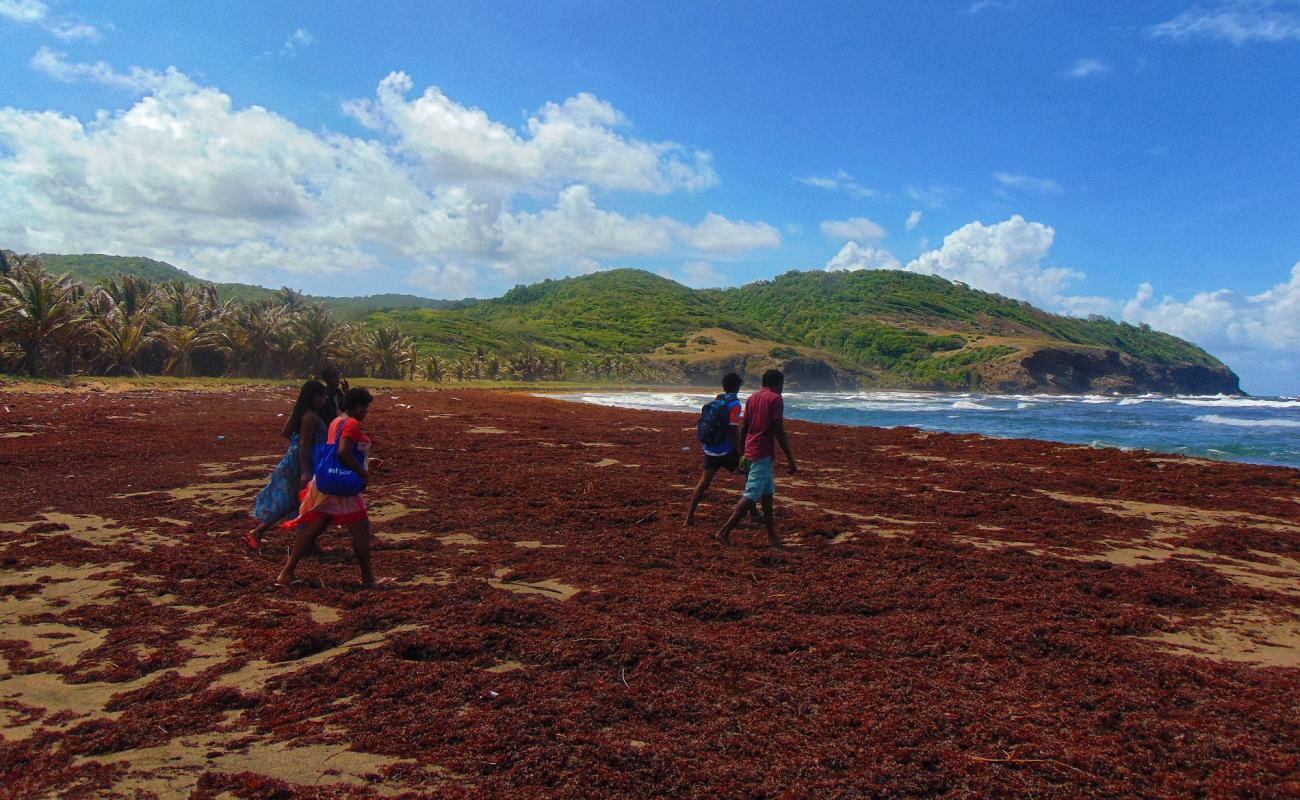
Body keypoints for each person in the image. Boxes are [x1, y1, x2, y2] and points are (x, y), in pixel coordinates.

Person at [277, 387, 382, 589]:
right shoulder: (351, 424)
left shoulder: (337, 420)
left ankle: (286, 573)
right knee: (360, 530)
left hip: (326, 481)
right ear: (359, 407)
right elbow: (343, 452)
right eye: (366, 408)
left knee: (312, 529)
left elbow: (337, 451)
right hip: (342, 485)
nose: (367, 412)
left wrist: (365, 463)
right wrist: (363, 472)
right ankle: (368, 580)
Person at [715, 368, 797, 548]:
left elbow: (744, 427)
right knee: (751, 495)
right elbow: (778, 430)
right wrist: (790, 459)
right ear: (778, 383)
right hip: (763, 453)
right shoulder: (775, 399)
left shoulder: (752, 398)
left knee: (767, 494)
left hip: (751, 450)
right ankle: (724, 532)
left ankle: (772, 536)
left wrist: (742, 452)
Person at [246, 380, 329, 551]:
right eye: (323, 396)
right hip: (304, 462)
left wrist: (296, 444)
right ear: (315, 397)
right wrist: (305, 470)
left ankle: (262, 532)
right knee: (306, 501)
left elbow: (286, 433)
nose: (325, 399)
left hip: (293, 459)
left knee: (294, 501)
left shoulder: (300, 413)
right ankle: (261, 532)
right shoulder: (311, 417)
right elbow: (305, 443)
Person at [684, 372, 744, 526]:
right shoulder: (735, 404)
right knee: (749, 478)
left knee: (703, 483)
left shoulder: (718, 399)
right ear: (738, 386)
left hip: (710, 448)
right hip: (726, 450)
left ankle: (689, 518)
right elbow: (732, 430)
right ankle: (753, 514)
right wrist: (739, 450)